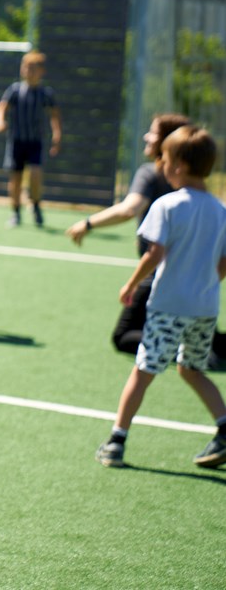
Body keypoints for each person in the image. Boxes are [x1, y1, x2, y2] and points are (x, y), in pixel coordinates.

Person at [95, 126, 226, 469]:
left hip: (168, 306)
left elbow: (154, 254)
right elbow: (223, 263)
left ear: (179, 165)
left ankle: (116, 441)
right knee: (192, 369)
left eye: (164, 160)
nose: (161, 166)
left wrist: (130, 284)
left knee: (143, 370)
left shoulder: (166, 205)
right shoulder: (220, 210)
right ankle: (225, 429)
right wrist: (207, 283)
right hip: (205, 307)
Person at [64, 113, 205, 354]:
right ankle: (197, 342)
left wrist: (88, 224)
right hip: (196, 283)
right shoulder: (199, 187)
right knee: (198, 328)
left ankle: (182, 346)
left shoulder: (151, 173)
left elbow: (129, 209)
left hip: (157, 280)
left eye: (152, 132)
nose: (146, 137)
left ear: (167, 142)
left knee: (124, 336)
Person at [0, 50, 62, 228]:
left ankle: (36, 205)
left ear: (41, 71)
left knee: (36, 174)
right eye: (26, 67)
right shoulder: (15, 90)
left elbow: (54, 116)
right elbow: (1, 108)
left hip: (35, 142)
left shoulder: (46, 93)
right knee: (15, 178)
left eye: (33, 68)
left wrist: (57, 134)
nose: (28, 71)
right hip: (17, 141)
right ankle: (15, 211)